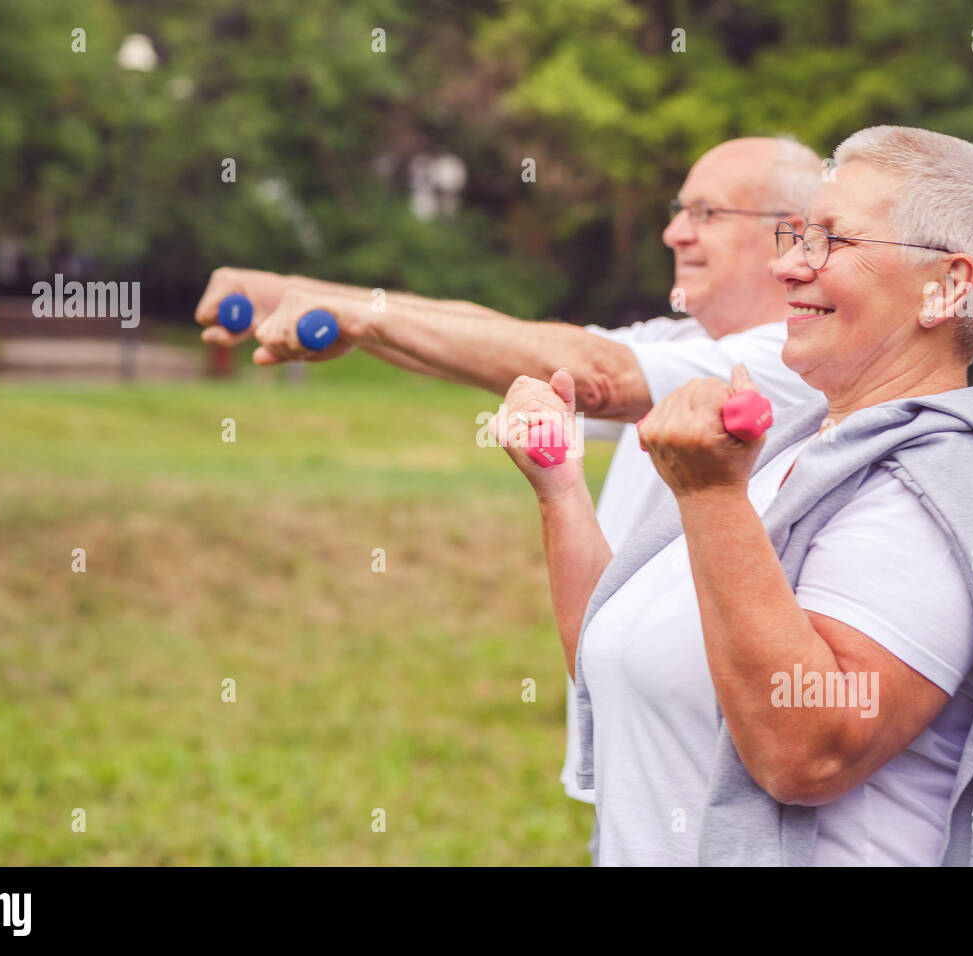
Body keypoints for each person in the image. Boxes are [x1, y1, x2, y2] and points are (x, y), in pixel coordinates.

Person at [495, 125, 973, 865]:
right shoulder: (788, 453)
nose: (788, 266)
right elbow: (614, 653)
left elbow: (807, 753)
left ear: (948, 286)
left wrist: (711, 498)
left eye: (832, 240)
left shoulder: (934, 490)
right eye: (794, 235)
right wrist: (561, 487)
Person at [195, 137, 823, 857]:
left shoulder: (783, 361)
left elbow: (592, 375)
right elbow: (503, 339)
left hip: (713, 781)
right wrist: (313, 298)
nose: (674, 231)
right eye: (679, 208)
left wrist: (360, 316)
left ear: (791, 235)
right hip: (648, 761)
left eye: (706, 212)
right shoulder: (683, 340)